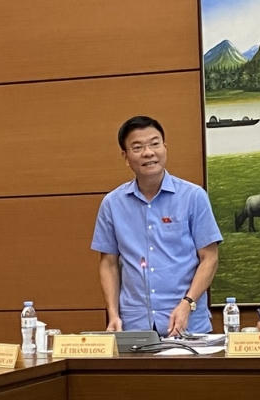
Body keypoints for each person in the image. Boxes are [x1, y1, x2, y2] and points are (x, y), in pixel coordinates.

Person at [91, 115, 223, 337]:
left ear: (165, 148)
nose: (148, 152)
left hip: (188, 323)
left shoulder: (193, 196)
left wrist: (188, 303)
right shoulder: (112, 204)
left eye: (154, 144)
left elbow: (209, 258)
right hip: (134, 325)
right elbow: (108, 264)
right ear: (125, 157)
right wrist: (113, 314)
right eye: (138, 147)